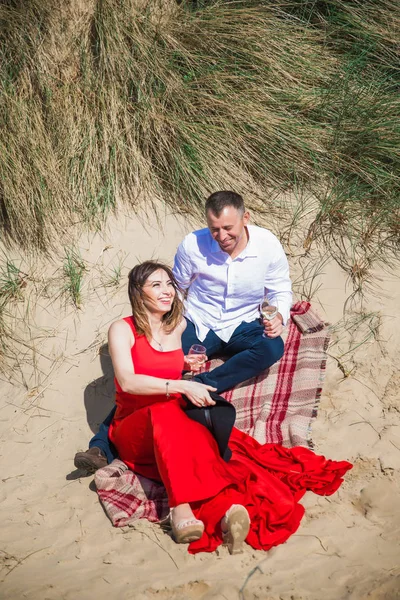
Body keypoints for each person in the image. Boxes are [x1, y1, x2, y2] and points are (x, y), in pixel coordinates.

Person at [96, 260, 352, 554]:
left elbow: (161, 365)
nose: (166, 291)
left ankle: (226, 511)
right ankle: (181, 508)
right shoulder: (122, 329)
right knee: (170, 413)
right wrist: (181, 385)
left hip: (169, 423)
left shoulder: (176, 327)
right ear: (138, 293)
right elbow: (128, 381)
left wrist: (183, 365)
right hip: (134, 429)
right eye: (156, 285)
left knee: (204, 442)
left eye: (169, 284)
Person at [74, 191, 292, 472]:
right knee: (153, 376)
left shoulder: (267, 244)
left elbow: (280, 288)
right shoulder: (193, 245)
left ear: (245, 218)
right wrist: (162, 332)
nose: (221, 236)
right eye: (214, 229)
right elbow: (176, 289)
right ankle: (101, 447)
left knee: (272, 347)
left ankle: (202, 384)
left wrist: (280, 317)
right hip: (199, 323)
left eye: (228, 228)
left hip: (244, 322)